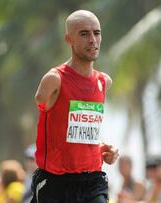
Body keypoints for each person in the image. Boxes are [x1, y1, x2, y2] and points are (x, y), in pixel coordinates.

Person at [32, 9, 119, 203]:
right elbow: (53, 120)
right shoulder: (54, 80)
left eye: (96, 33)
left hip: (92, 181)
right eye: (84, 33)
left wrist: (102, 148)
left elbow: (82, 129)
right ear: (69, 39)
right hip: (55, 183)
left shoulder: (104, 82)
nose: (92, 39)